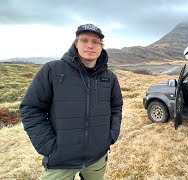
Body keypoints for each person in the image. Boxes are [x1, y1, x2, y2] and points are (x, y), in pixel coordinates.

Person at [19, 23, 123, 180]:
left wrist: (110, 136)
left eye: (95, 42)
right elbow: (31, 108)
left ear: (101, 47)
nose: (90, 45)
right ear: (76, 43)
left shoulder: (110, 78)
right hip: (60, 160)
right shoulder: (52, 70)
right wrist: (48, 145)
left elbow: (116, 108)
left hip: (97, 157)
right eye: (84, 40)